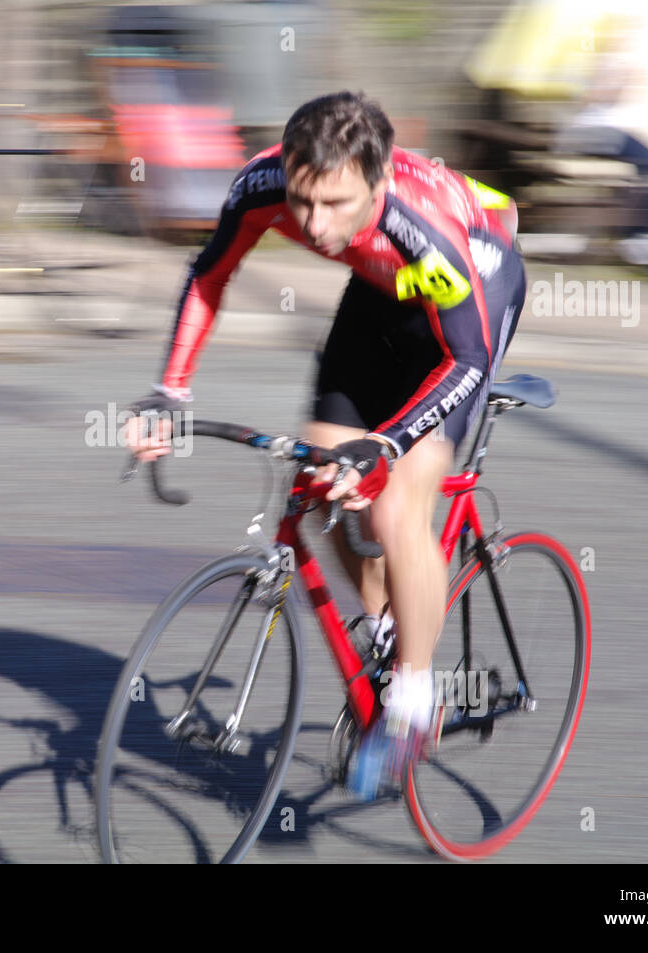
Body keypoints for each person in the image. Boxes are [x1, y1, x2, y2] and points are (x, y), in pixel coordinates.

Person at [123, 91, 526, 801]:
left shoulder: (418, 224)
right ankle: (384, 629)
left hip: (470, 299)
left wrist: (391, 443)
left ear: (377, 182)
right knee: (319, 476)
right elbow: (210, 275)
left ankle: (414, 698)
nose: (314, 223)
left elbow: (464, 362)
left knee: (399, 505)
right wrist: (170, 391)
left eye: (336, 204)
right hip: (381, 292)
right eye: (304, 202)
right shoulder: (264, 182)